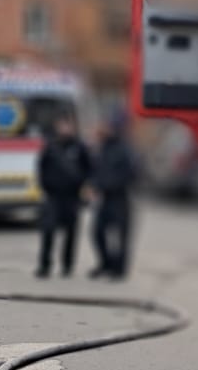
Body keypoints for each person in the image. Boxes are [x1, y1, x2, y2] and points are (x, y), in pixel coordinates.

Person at [36, 115, 92, 278]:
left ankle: (67, 266)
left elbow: (89, 169)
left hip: (72, 196)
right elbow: (41, 168)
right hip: (53, 195)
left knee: (71, 233)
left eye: (68, 125)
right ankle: (45, 265)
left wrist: (85, 186)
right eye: (62, 125)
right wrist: (45, 187)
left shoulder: (80, 147)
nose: (65, 129)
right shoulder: (51, 146)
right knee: (48, 230)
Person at [90, 110, 138, 279]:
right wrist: (95, 185)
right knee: (97, 233)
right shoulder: (103, 147)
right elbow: (96, 170)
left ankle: (119, 270)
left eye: (107, 125)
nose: (103, 128)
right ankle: (105, 264)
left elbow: (132, 173)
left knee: (120, 237)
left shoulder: (125, 149)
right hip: (104, 198)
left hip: (120, 198)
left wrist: (110, 184)